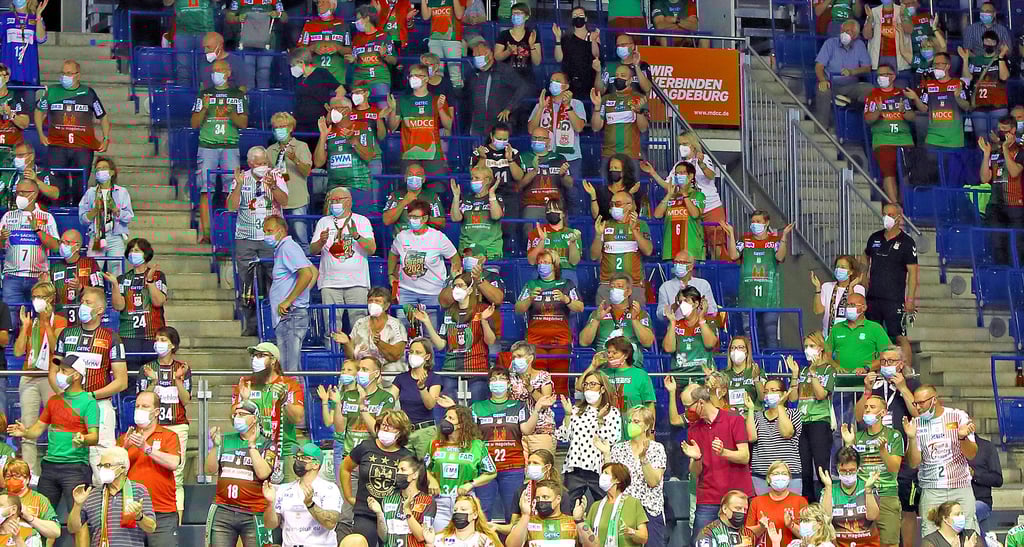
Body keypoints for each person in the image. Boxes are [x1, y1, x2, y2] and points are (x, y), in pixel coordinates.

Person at [51, 287, 129, 486]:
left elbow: (121, 381)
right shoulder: (66, 335)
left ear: (101, 309)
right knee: (70, 461)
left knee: (104, 463)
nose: (82, 306)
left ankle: (107, 508)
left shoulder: (112, 338)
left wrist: (90, 396)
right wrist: (63, 397)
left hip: (99, 406)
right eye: (82, 301)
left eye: (88, 302)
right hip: (70, 407)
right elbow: (53, 371)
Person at [8, 354, 98, 510]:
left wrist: (83, 438)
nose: (58, 375)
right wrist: (25, 432)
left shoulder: (89, 402)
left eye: (63, 370)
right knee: (41, 515)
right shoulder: (54, 401)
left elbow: (94, 437)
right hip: (49, 466)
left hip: (75, 467)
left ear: (76, 375)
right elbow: (36, 430)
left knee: (78, 520)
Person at [472, 367, 553, 523]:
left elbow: (527, 430)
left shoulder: (519, 406)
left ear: (509, 383)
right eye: (494, 379)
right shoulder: (477, 407)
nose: (497, 383)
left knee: (513, 511)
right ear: (488, 384)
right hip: (485, 467)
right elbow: (472, 436)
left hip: (512, 467)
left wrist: (536, 410)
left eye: (502, 379)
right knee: (483, 511)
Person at [682, 382, 755, 540]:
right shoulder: (693, 430)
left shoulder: (733, 420)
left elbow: (744, 457)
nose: (687, 411)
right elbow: (695, 472)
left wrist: (724, 452)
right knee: (700, 541)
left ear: (701, 402)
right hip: (708, 497)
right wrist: (697, 458)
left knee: (743, 541)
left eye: (688, 406)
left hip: (737, 496)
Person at [228, 146, 287, 337]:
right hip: (246, 237)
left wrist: (274, 187)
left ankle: (275, 322)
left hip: (271, 238)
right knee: (247, 284)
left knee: (274, 280)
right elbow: (231, 207)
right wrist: (237, 185)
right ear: (251, 163)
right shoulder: (241, 177)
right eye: (259, 163)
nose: (263, 166)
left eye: (265, 163)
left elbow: (285, 201)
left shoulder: (276, 175)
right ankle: (252, 324)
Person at [906, 385, 980, 536]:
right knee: (930, 534)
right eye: (915, 403)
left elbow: (972, 454)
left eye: (921, 403)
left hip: (960, 486)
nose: (917, 407)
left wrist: (961, 437)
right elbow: (914, 463)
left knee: (969, 533)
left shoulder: (958, 417)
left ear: (934, 400)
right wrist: (912, 438)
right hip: (932, 489)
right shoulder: (916, 424)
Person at [35, 60, 109, 206]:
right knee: (57, 185)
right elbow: (39, 111)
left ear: (78, 75)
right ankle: (58, 214)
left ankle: (78, 214)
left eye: (69, 73)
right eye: (63, 73)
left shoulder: (88, 93)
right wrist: (40, 134)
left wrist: (105, 138)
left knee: (79, 186)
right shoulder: (51, 91)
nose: (65, 76)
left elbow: (103, 116)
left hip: (82, 148)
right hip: (57, 147)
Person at [191, 59, 249, 243]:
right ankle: (206, 234)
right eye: (213, 70)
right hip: (207, 146)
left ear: (228, 72)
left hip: (230, 146)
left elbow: (243, 124)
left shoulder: (237, 95)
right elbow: (194, 123)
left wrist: (230, 113)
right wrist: (206, 108)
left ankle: (228, 233)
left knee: (231, 190)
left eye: (219, 70)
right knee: (205, 191)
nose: (215, 74)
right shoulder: (204, 95)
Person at [204, 400, 276, 547]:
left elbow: (263, 473)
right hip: (223, 509)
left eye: (242, 414)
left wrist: (252, 446)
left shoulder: (268, 444)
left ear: (254, 418)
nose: (237, 417)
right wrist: (215, 447)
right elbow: (209, 470)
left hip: (254, 513)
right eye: (235, 414)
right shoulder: (225, 439)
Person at [416, 273, 497, 403]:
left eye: (460, 285)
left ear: (470, 289)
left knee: (475, 409)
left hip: (476, 370)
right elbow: (441, 344)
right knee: (447, 407)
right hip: (451, 371)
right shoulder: (448, 312)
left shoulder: (482, 309)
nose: (456, 289)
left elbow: (490, 341)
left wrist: (484, 321)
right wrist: (427, 322)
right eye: (454, 286)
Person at [232, 342, 306, 483]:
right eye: (254, 356)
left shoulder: (289, 385)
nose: (255, 359)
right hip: (254, 451)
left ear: (273, 361)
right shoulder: (245, 384)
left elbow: (297, 418)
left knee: (287, 500)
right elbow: (233, 420)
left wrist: (284, 401)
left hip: (285, 451)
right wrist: (245, 401)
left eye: (261, 355)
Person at [136, 326, 190, 519]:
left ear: (173, 344)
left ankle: (177, 521)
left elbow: (185, 400)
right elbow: (142, 397)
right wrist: (154, 380)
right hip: (153, 426)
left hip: (177, 425)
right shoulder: (147, 369)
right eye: (157, 338)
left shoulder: (183, 368)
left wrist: (177, 380)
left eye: (163, 339)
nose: (159, 343)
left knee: (177, 475)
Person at [594, 405, 667, 547]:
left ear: (646, 426)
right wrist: (607, 454)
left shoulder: (657, 448)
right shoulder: (619, 448)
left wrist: (643, 459)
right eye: (629, 421)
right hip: (624, 508)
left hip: (649, 510)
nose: (631, 425)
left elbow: (653, 482)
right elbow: (612, 479)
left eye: (636, 421)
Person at [721, 211, 795, 349]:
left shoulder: (774, 241)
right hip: (748, 296)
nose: (755, 224)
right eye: (753, 221)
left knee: (771, 335)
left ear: (767, 223)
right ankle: (752, 366)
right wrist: (731, 234)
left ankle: (771, 369)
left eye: (759, 221)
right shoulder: (745, 240)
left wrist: (784, 236)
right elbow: (733, 255)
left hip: (770, 297)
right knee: (749, 337)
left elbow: (780, 257)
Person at [12, 281, 64, 477]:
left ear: (50, 299)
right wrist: (25, 328)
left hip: (49, 377)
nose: (35, 300)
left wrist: (46, 322)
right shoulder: (30, 321)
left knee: (54, 426)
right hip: (29, 377)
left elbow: (56, 348)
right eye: (33, 297)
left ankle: (53, 471)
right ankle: (29, 474)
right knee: (26, 427)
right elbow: (18, 352)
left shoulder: (58, 321)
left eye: (40, 297)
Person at [118, 392, 181, 547]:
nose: (139, 409)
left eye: (145, 406)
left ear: (157, 412)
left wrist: (146, 448)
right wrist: (124, 449)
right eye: (137, 406)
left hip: (162, 512)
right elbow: (112, 470)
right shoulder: (125, 437)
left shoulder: (169, 436)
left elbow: (173, 463)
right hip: (130, 511)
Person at [842, 395, 904, 547]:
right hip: (862, 497)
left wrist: (882, 450)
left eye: (872, 407)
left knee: (889, 543)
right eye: (866, 407)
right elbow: (847, 468)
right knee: (861, 542)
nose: (868, 410)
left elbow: (894, 467)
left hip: (887, 495)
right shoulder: (858, 436)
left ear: (883, 413)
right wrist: (849, 444)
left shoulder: (894, 435)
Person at [515, 252, 582, 393]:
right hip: (535, 342)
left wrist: (565, 299)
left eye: (546, 262)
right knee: (536, 383)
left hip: (560, 342)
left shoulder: (566, 284)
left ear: (555, 265)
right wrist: (530, 299)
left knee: (559, 385)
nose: (542, 266)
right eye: (540, 263)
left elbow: (580, 307)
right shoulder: (531, 284)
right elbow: (518, 309)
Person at [863, 203, 919, 368]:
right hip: (873, 297)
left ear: (899, 218)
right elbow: (865, 256)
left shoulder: (907, 243)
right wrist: (863, 275)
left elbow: (913, 273)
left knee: (899, 336)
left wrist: (910, 299)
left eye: (890, 214)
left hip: (894, 298)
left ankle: (907, 370)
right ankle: (873, 368)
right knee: (872, 335)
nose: (886, 217)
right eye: (884, 213)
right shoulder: (875, 238)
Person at [311, 186, 374, 331]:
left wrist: (357, 236)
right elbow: (312, 250)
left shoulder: (362, 221)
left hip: (357, 282)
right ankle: (332, 352)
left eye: (338, 199)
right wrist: (321, 241)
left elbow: (371, 249)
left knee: (361, 328)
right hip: (330, 283)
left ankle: (361, 354)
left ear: (349, 201)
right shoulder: (323, 222)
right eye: (332, 200)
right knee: (331, 328)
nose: (335, 203)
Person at [68, 446, 157, 547]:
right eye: (100, 466)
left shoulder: (139, 490)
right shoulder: (92, 494)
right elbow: (72, 528)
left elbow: (151, 527)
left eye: (107, 465)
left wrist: (139, 516)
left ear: (122, 468)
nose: (102, 469)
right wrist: (77, 505)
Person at [388, 199, 461, 321]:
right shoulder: (402, 236)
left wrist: (452, 280)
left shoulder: (438, 237)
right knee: (404, 328)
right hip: (406, 291)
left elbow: (455, 258)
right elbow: (393, 254)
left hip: (432, 292)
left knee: (430, 331)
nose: (412, 220)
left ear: (425, 218)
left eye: (416, 217)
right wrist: (391, 274)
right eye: (410, 216)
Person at [425, 405, 497, 530]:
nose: (446, 420)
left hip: (465, 502)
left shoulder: (477, 445)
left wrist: (471, 484)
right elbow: (423, 468)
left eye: (451, 418)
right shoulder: (434, 443)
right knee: (439, 540)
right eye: (445, 417)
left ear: (461, 424)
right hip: (440, 501)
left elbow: (491, 472)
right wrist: (431, 480)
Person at [557, 370, 621, 508]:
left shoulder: (612, 412)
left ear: (602, 388)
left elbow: (610, 440)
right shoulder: (575, 410)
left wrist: (599, 419)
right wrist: (568, 415)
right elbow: (563, 436)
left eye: (593, 384)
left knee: (606, 506)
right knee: (569, 507)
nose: (588, 388)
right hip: (575, 469)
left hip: (599, 470)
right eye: (586, 384)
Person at [106, 237, 167, 380]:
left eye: (137, 250)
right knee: (132, 379)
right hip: (128, 336)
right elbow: (118, 306)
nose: (133, 253)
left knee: (151, 378)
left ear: (146, 254)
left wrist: (150, 282)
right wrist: (115, 285)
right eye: (131, 250)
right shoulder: (122, 278)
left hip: (152, 335)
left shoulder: (158, 275)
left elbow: (159, 302)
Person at [263, 215, 317, 372]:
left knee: (288, 368)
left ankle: (294, 397)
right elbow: (314, 272)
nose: (266, 234)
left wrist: (289, 301)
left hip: (290, 316)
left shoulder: (288, 247)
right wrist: (300, 295)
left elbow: (307, 274)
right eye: (265, 231)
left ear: (281, 231)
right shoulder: (285, 248)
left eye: (270, 231)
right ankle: (299, 396)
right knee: (291, 367)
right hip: (290, 315)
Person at [264, 442, 342, 547]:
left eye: (304, 457)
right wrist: (270, 504)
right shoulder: (284, 489)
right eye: (297, 457)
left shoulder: (329, 489)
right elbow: (270, 524)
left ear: (316, 464)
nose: (298, 460)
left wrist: (310, 504)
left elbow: (330, 523)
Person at [385, 64, 453, 183]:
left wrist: (441, 109)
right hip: (409, 156)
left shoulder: (437, 99)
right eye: (411, 76)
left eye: (417, 75)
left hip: (433, 156)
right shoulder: (402, 101)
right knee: (410, 192)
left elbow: (448, 126)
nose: (413, 78)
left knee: (436, 190)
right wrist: (393, 109)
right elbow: (392, 127)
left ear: (426, 78)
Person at [1, 179, 59, 313]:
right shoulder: (8, 217)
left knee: (40, 318)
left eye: (23, 192)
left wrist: (38, 231)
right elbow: (1, 246)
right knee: (10, 321)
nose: (19, 195)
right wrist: (1, 239)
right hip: (12, 277)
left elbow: (56, 246)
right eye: (18, 192)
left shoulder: (47, 217)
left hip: (38, 278)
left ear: (35, 194)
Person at [793, 332, 837, 503]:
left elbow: (820, 395)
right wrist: (796, 374)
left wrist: (813, 374)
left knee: (821, 465)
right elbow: (793, 398)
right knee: (804, 468)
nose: (807, 350)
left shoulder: (828, 369)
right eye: (805, 346)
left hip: (820, 420)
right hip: (802, 421)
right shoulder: (804, 370)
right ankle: (807, 503)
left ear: (820, 348)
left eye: (811, 346)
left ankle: (825, 501)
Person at [589, 193, 653, 305]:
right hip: (607, 285)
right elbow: (593, 256)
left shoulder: (641, 224)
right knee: (605, 321)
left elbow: (648, 251)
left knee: (635, 320)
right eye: (612, 204)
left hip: (634, 285)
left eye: (617, 204)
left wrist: (634, 231)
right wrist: (598, 235)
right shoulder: (605, 225)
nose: (613, 207)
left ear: (629, 206)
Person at [864, 64, 916, 203]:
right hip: (883, 140)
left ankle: (903, 206)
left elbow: (912, 117)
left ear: (892, 76)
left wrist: (903, 110)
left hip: (904, 139)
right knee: (889, 172)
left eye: (884, 74)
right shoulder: (873, 95)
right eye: (879, 75)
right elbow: (868, 119)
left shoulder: (901, 94)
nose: (880, 78)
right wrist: (878, 111)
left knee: (906, 176)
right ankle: (894, 206)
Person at [314, 96, 376, 211]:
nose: (331, 112)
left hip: (358, 187)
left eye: (335, 108)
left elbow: (368, 156)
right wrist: (323, 136)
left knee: (357, 227)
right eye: (330, 109)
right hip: (333, 188)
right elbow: (318, 162)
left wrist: (353, 140)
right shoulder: (329, 131)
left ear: (347, 110)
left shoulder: (362, 127)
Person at [386, 338, 443, 459]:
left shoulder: (434, 378)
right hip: (405, 431)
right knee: (404, 468)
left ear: (427, 356)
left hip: (425, 431)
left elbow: (430, 404)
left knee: (426, 470)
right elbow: (389, 401)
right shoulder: (401, 378)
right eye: (411, 352)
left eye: (418, 352)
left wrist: (422, 388)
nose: (413, 355)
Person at [979, 116, 1024, 266]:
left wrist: (1005, 148)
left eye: (1005, 130)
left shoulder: (1020, 152)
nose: (1001, 133)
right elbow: (985, 178)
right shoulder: (995, 152)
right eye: (999, 129)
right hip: (995, 207)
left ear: (1013, 131)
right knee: (998, 248)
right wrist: (986, 156)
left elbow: (1014, 172)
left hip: (1015, 207)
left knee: (1016, 250)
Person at [335, 287, 408, 379]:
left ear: (386, 306)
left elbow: (395, 355)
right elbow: (352, 357)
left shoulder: (396, 325)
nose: (373, 304)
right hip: (364, 372)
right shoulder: (360, 323)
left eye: (377, 301)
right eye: (370, 301)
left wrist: (380, 343)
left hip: (388, 374)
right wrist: (346, 343)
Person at [77, 157, 134, 276]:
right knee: (93, 271)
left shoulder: (121, 192)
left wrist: (115, 209)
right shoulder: (90, 193)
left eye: (104, 168)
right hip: (97, 236)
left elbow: (129, 217)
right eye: (98, 169)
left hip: (115, 236)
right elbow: (82, 219)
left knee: (117, 272)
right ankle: (96, 293)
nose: (100, 171)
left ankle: (116, 294)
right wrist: (94, 210)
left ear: (112, 172)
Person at [528, 72, 587, 185]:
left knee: (572, 193)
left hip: (570, 158)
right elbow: (531, 130)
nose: (553, 83)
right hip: (546, 156)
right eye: (551, 81)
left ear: (566, 86)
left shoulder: (577, 104)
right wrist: (541, 108)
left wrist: (568, 107)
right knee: (548, 190)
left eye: (557, 81)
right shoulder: (542, 104)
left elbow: (579, 128)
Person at [464, 36, 529, 136]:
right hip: (478, 124)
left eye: (479, 54)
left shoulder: (504, 70)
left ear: (489, 54)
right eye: (475, 55)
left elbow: (523, 87)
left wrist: (509, 108)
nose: (477, 57)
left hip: (499, 125)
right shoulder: (472, 74)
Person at [266, 112, 313, 251]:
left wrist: (295, 159)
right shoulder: (270, 150)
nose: (279, 130)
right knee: (277, 239)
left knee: (301, 237)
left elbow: (307, 172)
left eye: (283, 126)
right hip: (277, 201)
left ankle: (306, 267)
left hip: (297, 199)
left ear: (291, 127)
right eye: (276, 127)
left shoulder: (301, 146)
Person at [904, 52, 970, 151]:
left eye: (939, 64)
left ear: (947, 66)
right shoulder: (929, 85)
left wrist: (957, 97)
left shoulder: (959, 84)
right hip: (933, 139)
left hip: (954, 140)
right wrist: (915, 98)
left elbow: (967, 107)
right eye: (934, 64)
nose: (935, 67)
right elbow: (923, 109)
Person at [747, 381, 803, 496]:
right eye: (766, 391)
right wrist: (751, 410)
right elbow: (751, 437)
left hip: (789, 476)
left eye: (773, 390)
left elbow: (786, 433)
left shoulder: (794, 413)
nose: (769, 394)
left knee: (791, 512)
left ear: (784, 393)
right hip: (761, 476)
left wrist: (781, 406)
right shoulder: (757, 416)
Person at [814, 20, 874, 128]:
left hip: (851, 86)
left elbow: (867, 68)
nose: (845, 33)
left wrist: (853, 72)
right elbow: (819, 66)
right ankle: (822, 128)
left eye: (849, 31)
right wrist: (822, 80)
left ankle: (853, 106)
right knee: (823, 91)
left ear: (855, 35)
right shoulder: (830, 43)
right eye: (843, 30)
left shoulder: (859, 45)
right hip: (831, 84)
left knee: (870, 89)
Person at [501, 449, 574, 534]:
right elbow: (512, 528)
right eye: (529, 463)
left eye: (535, 463)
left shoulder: (561, 493)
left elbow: (566, 525)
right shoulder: (521, 491)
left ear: (547, 467)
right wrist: (494, 526)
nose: (531, 466)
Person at [820, 447, 882, 547]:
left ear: (858, 468)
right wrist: (828, 487)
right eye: (843, 471)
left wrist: (868, 490)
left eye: (852, 470)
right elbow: (826, 518)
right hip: (839, 544)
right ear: (837, 469)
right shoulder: (830, 490)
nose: (848, 474)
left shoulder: (868, 486)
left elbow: (873, 516)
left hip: (867, 543)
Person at [368, 455, 436, 546]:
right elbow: (383, 537)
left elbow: (422, 537)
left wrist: (407, 510)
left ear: (415, 475)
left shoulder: (428, 501)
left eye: (403, 470)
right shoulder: (388, 500)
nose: (398, 473)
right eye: (398, 470)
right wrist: (379, 513)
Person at [590, 64, 648, 168]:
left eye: (623, 75)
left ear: (630, 80)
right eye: (616, 75)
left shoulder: (639, 98)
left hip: (631, 155)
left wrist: (639, 112)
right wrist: (597, 107)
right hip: (609, 155)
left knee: (632, 185)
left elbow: (643, 128)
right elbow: (595, 127)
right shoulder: (605, 99)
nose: (619, 78)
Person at [517, 128, 572, 234]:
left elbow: (570, 184)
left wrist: (563, 175)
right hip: (532, 205)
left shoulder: (559, 158)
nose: (537, 141)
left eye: (541, 138)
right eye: (535, 138)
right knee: (529, 232)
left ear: (548, 141)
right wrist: (534, 171)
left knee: (562, 234)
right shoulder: (523, 158)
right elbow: (519, 185)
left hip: (555, 205)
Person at [650, 161, 705, 260]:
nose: (678, 175)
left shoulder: (698, 195)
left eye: (682, 173)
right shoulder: (671, 196)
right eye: (676, 173)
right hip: (670, 251)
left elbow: (695, 214)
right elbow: (657, 215)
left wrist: (685, 194)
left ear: (691, 176)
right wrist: (669, 195)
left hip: (692, 251)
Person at [584, 463, 649, 547]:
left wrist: (632, 532)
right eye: (602, 473)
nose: (602, 476)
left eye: (606, 473)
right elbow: (586, 538)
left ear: (617, 480)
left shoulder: (633, 503)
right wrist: (580, 519)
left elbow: (644, 537)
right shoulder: (595, 506)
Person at [45, 229, 101, 324]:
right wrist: (44, 284)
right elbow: (50, 297)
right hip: (60, 323)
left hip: (84, 322)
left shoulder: (90, 263)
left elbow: (100, 292)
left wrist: (81, 288)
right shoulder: (55, 268)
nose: (62, 245)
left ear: (77, 246)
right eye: (61, 242)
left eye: (67, 242)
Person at [746, 461, 808, 547]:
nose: (780, 476)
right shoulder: (756, 502)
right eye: (776, 473)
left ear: (789, 478)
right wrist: (760, 527)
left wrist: (791, 525)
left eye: (784, 473)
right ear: (768, 478)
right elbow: (747, 537)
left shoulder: (800, 501)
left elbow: (809, 537)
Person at [826, 292, 892, 372]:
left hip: (866, 379)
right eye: (847, 305)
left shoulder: (875, 328)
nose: (849, 308)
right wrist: (835, 366)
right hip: (839, 377)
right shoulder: (837, 328)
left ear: (864, 308)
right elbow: (826, 354)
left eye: (852, 305)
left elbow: (888, 355)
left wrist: (867, 368)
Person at [226, 0, 284, 90]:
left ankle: (264, 102)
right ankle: (248, 101)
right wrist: (237, 18)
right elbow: (229, 17)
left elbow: (285, 17)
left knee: (264, 73)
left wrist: (278, 14)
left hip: (267, 43)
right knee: (247, 75)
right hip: (245, 43)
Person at [962, 32, 1010, 140]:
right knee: (981, 139)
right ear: (982, 42)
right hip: (979, 105)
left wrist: (1001, 57)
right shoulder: (975, 60)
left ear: (996, 44)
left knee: (999, 138)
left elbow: (1004, 77)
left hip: (998, 105)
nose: (989, 43)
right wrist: (965, 60)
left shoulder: (1001, 59)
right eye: (987, 41)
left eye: (992, 41)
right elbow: (966, 78)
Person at [2, 458, 61, 541]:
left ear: (27, 479)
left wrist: (30, 518)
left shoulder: (40, 499)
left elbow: (56, 532)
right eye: (8, 476)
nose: (12, 479)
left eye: (17, 476)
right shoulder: (1, 498)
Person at [451, 166, 504, 260]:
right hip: (467, 252)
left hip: (490, 252)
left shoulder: (496, 198)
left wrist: (491, 193)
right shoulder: (466, 199)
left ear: (487, 180)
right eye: (472, 178)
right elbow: (455, 218)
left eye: (477, 178)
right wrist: (456, 196)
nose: (473, 181)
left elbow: (496, 216)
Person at [663, 285, 718, 374]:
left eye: (686, 301)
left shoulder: (708, 322)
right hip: (680, 377)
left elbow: (710, 344)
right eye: (680, 302)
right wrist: (672, 323)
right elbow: (669, 349)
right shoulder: (676, 325)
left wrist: (701, 319)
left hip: (703, 376)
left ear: (696, 303)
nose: (682, 305)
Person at [289, 47, 341, 140]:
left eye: (293, 65)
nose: (292, 68)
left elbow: (341, 90)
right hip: (300, 122)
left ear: (301, 62)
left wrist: (332, 110)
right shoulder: (298, 78)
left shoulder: (322, 73)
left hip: (318, 121)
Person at [526, 201, 582, 286]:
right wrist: (541, 241)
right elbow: (532, 261)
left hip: (566, 273)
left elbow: (574, 262)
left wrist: (573, 242)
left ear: (563, 213)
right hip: (542, 274)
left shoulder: (572, 233)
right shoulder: (537, 232)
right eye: (548, 210)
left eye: (555, 209)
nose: (551, 212)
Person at [383, 163, 446, 235]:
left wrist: (422, 218)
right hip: (402, 241)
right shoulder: (396, 195)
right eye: (410, 174)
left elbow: (442, 223)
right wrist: (404, 202)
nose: (414, 178)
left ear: (424, 179)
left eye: (418, 175)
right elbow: (386, 220)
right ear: (405, 178)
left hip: (425, 240)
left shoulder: (432, 196)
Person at [297, 0, 350, 85]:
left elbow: (350, 50)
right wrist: (313, 48)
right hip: (314, 78)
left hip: (338, 78)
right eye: (318, 2)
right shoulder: (309, 25)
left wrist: (337, 48)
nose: (319, 5)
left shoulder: (343, 25)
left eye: (323, 2)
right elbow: (299, 52)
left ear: (332, 5)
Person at [812, 255, 866, 338]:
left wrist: (851, 287)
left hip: (850, 336)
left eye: (843, 267)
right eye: (837, 267)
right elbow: (818, 311)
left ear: (851, 272)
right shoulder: (827, 286)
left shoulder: (858, 288)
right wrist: (818, 288)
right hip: (829, 336)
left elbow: (854, 309)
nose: (839, 269)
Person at [0, 1, 46, 95]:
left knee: (28, 108)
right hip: (8, 73)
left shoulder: (35, 19)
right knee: (7, 107)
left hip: (29, 74)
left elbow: (41, 39)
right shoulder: (4, 17)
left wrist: (38, 16)